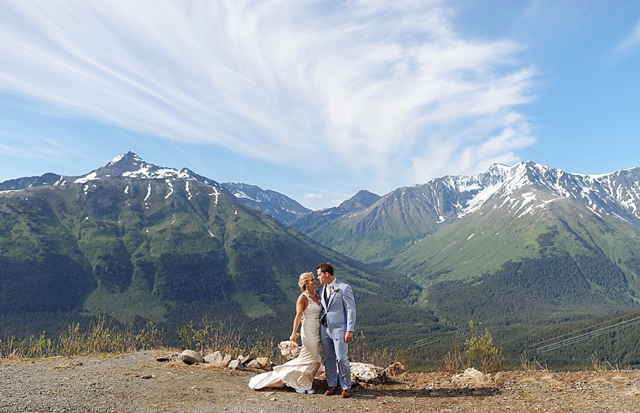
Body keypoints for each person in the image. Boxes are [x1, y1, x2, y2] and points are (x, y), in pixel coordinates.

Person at [248, 272, 322, 394]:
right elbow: (298, 316)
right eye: (312, 280)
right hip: (308, 331)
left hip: (318, 329)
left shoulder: (317, 295)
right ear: (305, 284)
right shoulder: (303, 298)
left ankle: (303, 383)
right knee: (311, 358)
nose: (315, 281)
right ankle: (298, 383)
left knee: (310, 358)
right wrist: (294, 333)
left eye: (314, 279)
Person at [317, 262, 356, 398]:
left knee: (341, 358)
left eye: (319, 275)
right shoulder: (322, 289)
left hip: (340, 328)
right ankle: (332, 384)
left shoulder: (344, 288)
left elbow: (351, 309)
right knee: (329, 358)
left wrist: (349, 329)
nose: (318, 278)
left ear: (327, 274)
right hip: (325, 328)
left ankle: (346, 386)